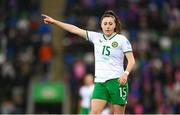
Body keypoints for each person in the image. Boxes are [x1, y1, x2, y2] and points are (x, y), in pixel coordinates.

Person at [42, 10, 135, 114]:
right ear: (101, 25)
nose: (107, 26)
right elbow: (75, 30)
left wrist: (125, 74)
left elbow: (131, 60)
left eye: (110, 24)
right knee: (94, 113)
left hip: (117, 81)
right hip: (100, 82)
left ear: (115, 25)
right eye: (105, 24)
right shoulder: (96, 37)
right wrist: (55, 22)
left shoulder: (121, 40)